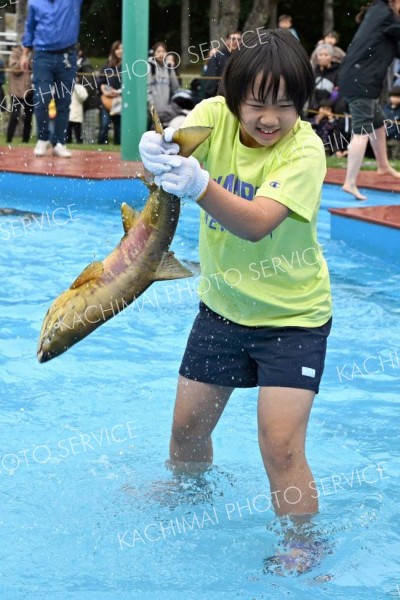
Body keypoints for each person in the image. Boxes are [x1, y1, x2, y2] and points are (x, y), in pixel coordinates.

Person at [139, 29, 332, 574]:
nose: (271, 118)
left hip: (293, 320)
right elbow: (174, 140)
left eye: (286, 105)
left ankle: (303, 540)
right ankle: (187, 499)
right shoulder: (214, 116)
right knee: (186, 433)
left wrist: (197, 184)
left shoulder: (306, 150)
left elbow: (256, 224)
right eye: (258, 104)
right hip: (222, 309)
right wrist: (158, 146)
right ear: (233, 98)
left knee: (280, 447)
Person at [338, 0, 400, 200]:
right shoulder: (386, 16)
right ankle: (350, 182)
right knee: (362, 130)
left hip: (359, 78)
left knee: (378, 123)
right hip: (360, 81)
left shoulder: (378, 13)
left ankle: (383, 165)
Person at [20, 0, 83, 158]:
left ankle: (59, 142)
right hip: (42, 55)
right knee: (42, 97)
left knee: (64, 100)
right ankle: (43, 137)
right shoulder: (34, 3)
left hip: (67, 55)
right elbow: (30, 28)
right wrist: (24, 54)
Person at [6, 44, 34, 144]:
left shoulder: (34, 53)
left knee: (28, 116)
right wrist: (24, 61)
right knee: (14, 115)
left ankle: (25, 140)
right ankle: (9, 139)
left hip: (30, 90)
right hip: (17, 90)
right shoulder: (15, 52)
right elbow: (14, 69)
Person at [147, 42, 180, 126]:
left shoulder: (169, 68)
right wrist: (152, 106)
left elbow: (175, 88)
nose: (161, 54)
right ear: (154, 53)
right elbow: (147, 89)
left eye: (163, 51)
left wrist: (172, 69)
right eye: (158, 51)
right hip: (152, 110)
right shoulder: (150, 66)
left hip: (167, 111)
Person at [97, 40, 122, 145]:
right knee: (104, 125)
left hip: (121, 102)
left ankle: (117, 150)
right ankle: (101, 148)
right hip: (106, 101)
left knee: (119, 129)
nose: (120, 51)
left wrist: (119, 91)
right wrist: (104, 89)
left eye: (122, 48)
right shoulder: (107, 65)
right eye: (117, 48)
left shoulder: (128, 65)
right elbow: (100, 81)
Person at [204, 31, 242, 98]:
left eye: (238, 39)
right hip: (220, 97)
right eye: (233, 39)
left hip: (238, 96)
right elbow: (211, 80)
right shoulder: (217, 56)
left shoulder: (242, 57)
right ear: (226, 40)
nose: (236, 41)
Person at [308, 44, 341, 116]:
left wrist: (326, 106)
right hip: (314, 110)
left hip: (330, 111)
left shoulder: (337, 72)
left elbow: (337, 91)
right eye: (320, 55)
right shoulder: (313, 71)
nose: (323, 57)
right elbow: (310, 91)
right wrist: (316, 107)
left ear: (331, 57)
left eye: (326, 55)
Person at [67, 75, 88, 144]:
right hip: (68, 114)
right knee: (67, 133)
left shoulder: (80, 87)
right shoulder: (65, 86)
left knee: (78, 133)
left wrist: (75, 88)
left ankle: (79, 145)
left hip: (77, 114)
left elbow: (83, 98)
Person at [383, 85, 400, 159]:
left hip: (396, 139)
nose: (395, 99)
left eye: (398, 97)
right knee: (385, 156)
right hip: (384, 137)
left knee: (395, 156)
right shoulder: (385, 108)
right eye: (393, 96)